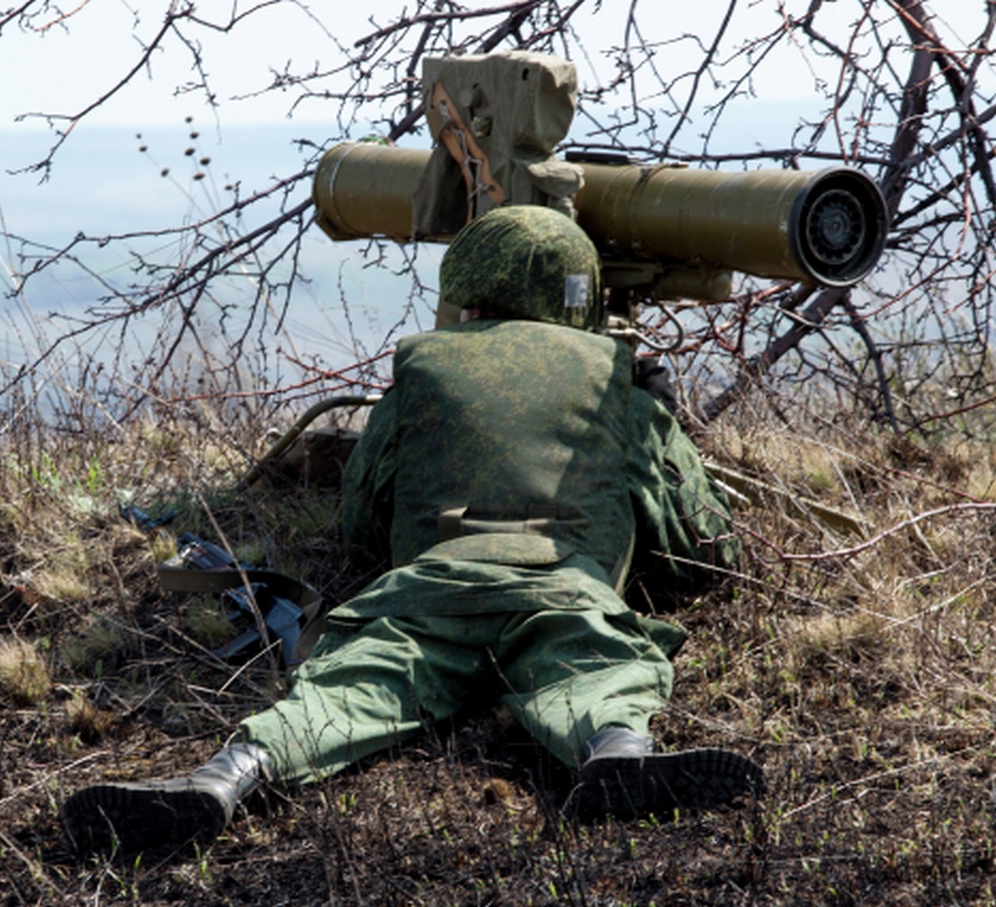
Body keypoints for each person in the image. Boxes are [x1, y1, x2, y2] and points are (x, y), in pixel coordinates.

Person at [61, 205, 764, 855]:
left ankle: (226, 775)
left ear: (468, 285)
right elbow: (704, 549)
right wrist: (660, 414)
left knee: (348, 688)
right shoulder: (616, 379)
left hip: (431, 588)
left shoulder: (423, 369)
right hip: (565, 588)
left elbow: (361, 516)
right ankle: (615, 752)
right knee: (598, 669)